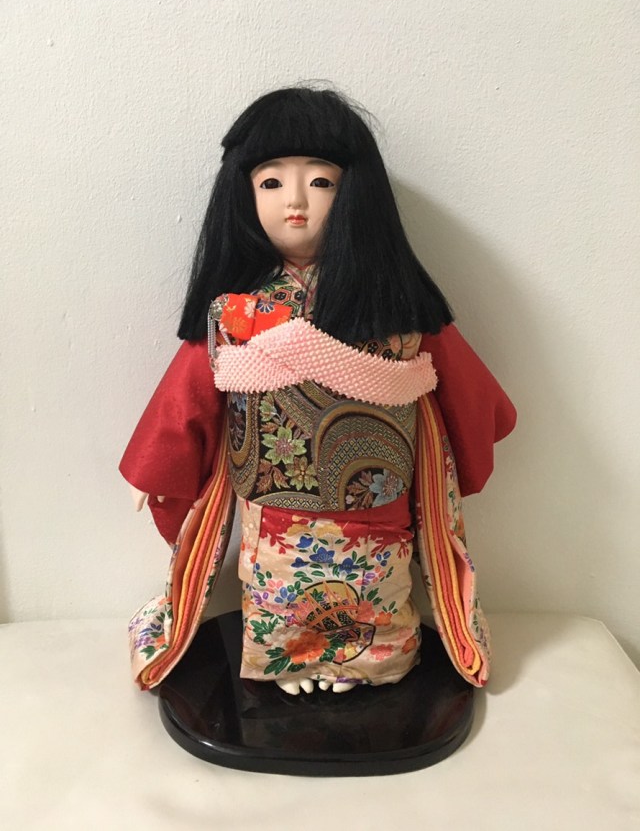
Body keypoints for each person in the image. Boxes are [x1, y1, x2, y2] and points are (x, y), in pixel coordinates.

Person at [120, 86, 516, 695]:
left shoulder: (391, 301)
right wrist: (157, 467)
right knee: (276, 584)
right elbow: (189, 391)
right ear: (243, 193)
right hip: (273, 501)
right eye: (271, 182)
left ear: (355, 191)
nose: (296, 200)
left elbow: (460, 381)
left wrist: (478, 424)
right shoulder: (236, 310)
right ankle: (290, 661)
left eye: (322, 181)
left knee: (378, 583)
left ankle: (371, 662)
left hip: (377, 500)